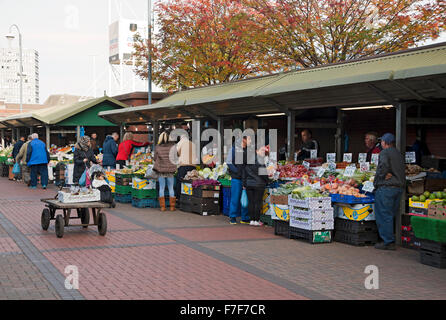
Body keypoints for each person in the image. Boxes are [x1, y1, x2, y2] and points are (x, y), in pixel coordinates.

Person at [373, 133, 405, 250]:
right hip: (398, 188)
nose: (380, 143)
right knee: (391, 214)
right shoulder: (398, 153)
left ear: (385, 142)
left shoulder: (385, 153)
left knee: (383, 214)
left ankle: (387, 241)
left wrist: (377, 180)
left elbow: (383, 166)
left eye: (381, 141)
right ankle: (390, 239)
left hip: (387, 188)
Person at [242, 145, 270, 226]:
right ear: (256, 151)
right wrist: (267, 181)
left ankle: (251, 220)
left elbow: (244, 173)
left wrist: (244, 183)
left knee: (251, 202)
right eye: (262, 151)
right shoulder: (260, 160)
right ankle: (257, 220)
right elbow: (263, 174)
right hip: (259, 184)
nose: (263, 152)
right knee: (257, 202)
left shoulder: (248, 160)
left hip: (249, 184)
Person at [227, 135, 250, 225]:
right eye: (249, 139)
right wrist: (237, 171)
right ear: (243, 139)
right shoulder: (233, 149)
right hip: (237, 178)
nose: (250, 141)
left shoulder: (248, 150)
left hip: (246, 178)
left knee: (245, 198)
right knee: (235, 198)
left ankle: (244, 218)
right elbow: (229, 162)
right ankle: (232, 217)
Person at [153, 131, 177, 212]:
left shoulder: (158, 147)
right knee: (171, 188)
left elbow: (155, 158)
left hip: (161, 170)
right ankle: (172, 207)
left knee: (162, 188)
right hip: (170, 170)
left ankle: (163, 207)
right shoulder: (173, 146)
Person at [175, 130, 198, 205]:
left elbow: (177, 153)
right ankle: (190, 199)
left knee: (180, 182)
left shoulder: (180, 143)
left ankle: (178, 199)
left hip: (183, 165)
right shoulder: (193, 144)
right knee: (190, 182)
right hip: (193, 166)